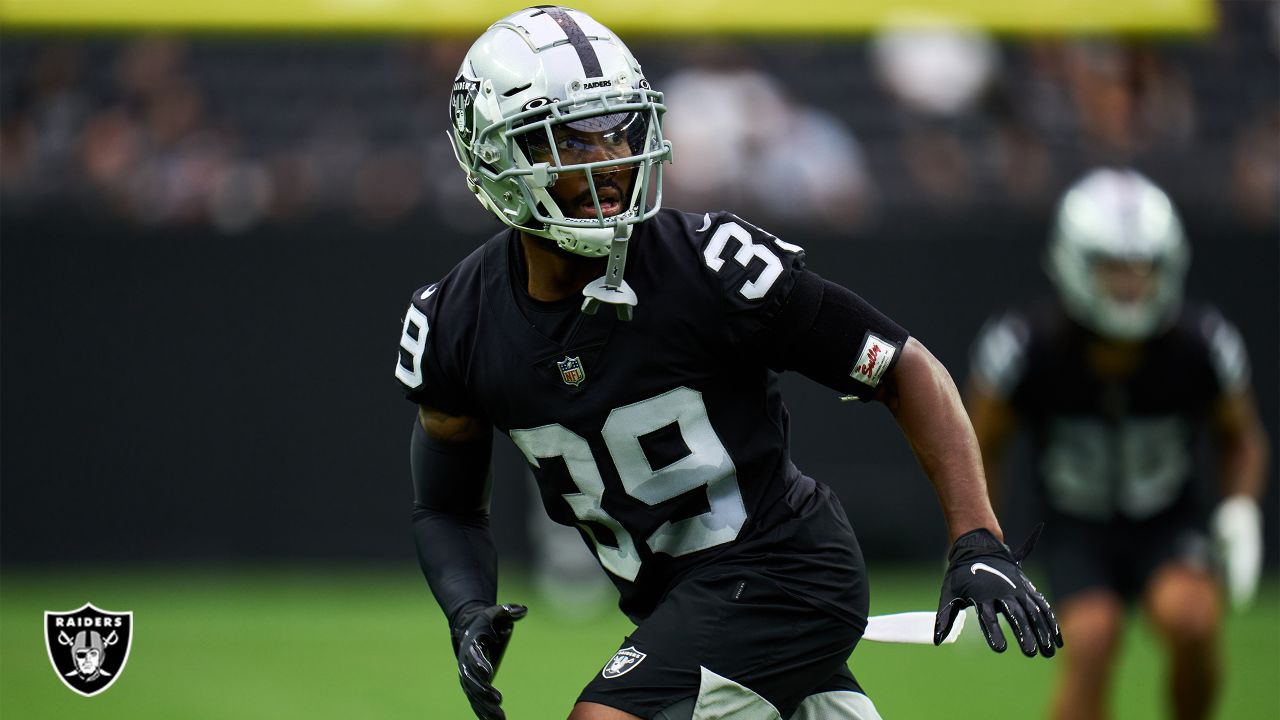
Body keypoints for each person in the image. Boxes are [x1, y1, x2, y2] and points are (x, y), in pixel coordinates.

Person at [395, 7, 1061, 720]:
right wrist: (467, 607)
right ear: (495, 156)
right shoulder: (454, 322)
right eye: (569, 141)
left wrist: (976, 537)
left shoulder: (707, 266)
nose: (609, 162)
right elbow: (447, 504)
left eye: (616, 130)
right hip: (680, 604)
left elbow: (902, 365)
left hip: (786, 571)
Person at [965, 167, 1269, 720]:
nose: (1130, 282)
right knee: (1091, 639)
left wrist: (1241, 508)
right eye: (1113, 267)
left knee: (1193, 621)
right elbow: (979, 444)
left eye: (1142, 267)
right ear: (1075, 262)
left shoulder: (1201, 343)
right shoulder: (1025, 347)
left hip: (1166, 519)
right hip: (1074, 525)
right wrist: (977, 539)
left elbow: (1241, 437)